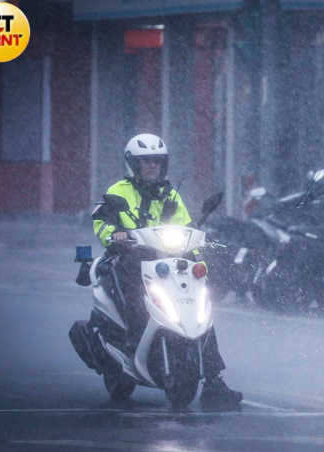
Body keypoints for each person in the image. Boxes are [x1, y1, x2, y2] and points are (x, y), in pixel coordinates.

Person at [92, 133, 242, 408]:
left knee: (200, 309)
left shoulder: (171, 194)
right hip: (131, 259)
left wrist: (200, 259)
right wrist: (115, 235)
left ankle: (214, 380)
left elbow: (187, 229)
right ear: (133, 164)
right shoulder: (118, 192)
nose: (153, 166)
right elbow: (102, 221)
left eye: (157, 162)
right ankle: (130, 344)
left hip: (167, 262)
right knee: (137, 301)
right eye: (146, 162)